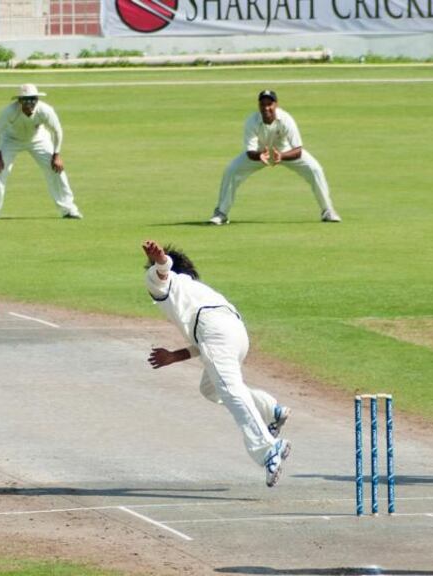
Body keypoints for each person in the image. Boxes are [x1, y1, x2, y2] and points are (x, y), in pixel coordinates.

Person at [142, 240, 292, 487]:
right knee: (211, 388)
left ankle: (268, 449)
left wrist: (160, 259)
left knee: (231, 392)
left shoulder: (169, 284)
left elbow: (160, 273)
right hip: (237, 333)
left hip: (214, 331)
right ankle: (270, 410)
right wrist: (173, 356)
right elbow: (205, 344)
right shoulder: (200, 291)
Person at [208, 89, 341, 225]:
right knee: (232, 170)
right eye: (263, 104)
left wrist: (281, 156)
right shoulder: (251, 121)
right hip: (259, 154)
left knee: (315, 169)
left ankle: (328, 211)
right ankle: (221, 213)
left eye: (269, 104)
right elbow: (249, 152)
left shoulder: (286, 119)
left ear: (276, 105)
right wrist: (260, 155)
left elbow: (298, 150)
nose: (266, 108)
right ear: (258, 105)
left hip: (285, 152)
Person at [0, 84, 82, 222]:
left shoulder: (45, 110)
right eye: (26, 100)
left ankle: (69, 209)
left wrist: (56, 155)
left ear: (37, 99)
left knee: (56, 169)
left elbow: (57, 131)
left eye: (33, 99)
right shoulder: (9, 111)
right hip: (11, 140)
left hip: (38, 139)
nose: (30, 103)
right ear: (19, 101)